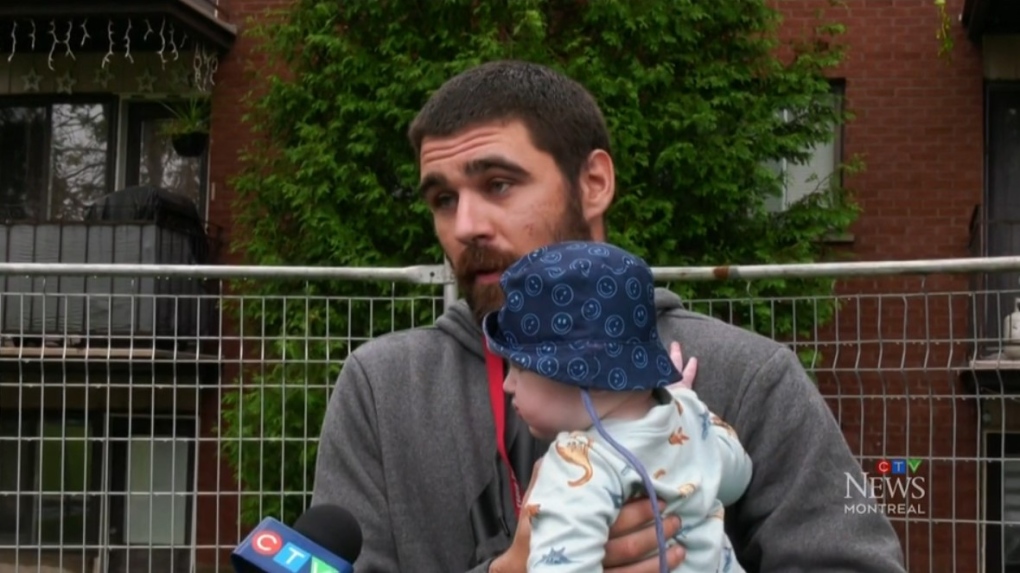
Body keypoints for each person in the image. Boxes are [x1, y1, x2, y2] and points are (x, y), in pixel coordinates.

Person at [311, 59, 907, 573]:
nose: (465, 226)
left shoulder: (749, 375)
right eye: (443, 199)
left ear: (593, 183)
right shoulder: (381, 388)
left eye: (498, 184)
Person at [481, 240, 753, 573]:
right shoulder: (689, 418)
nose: (507, 384)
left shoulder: (576, 465)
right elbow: (737, 478)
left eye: (520, 368)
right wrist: (687, 404)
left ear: (587, 376)